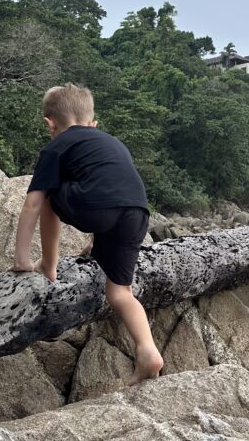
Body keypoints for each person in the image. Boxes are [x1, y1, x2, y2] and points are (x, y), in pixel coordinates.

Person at [12, 83, 164, 384]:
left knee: (50, 194)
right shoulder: (113, 143)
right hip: (137, 212)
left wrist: (21, 257)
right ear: (93, 123)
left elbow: (33, 204)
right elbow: (111, 186)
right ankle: (148, 350)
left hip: (98, 208)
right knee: (120, 292)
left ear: (50, 123)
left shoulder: (56, 146)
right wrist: (97, 240)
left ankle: (49, 266)